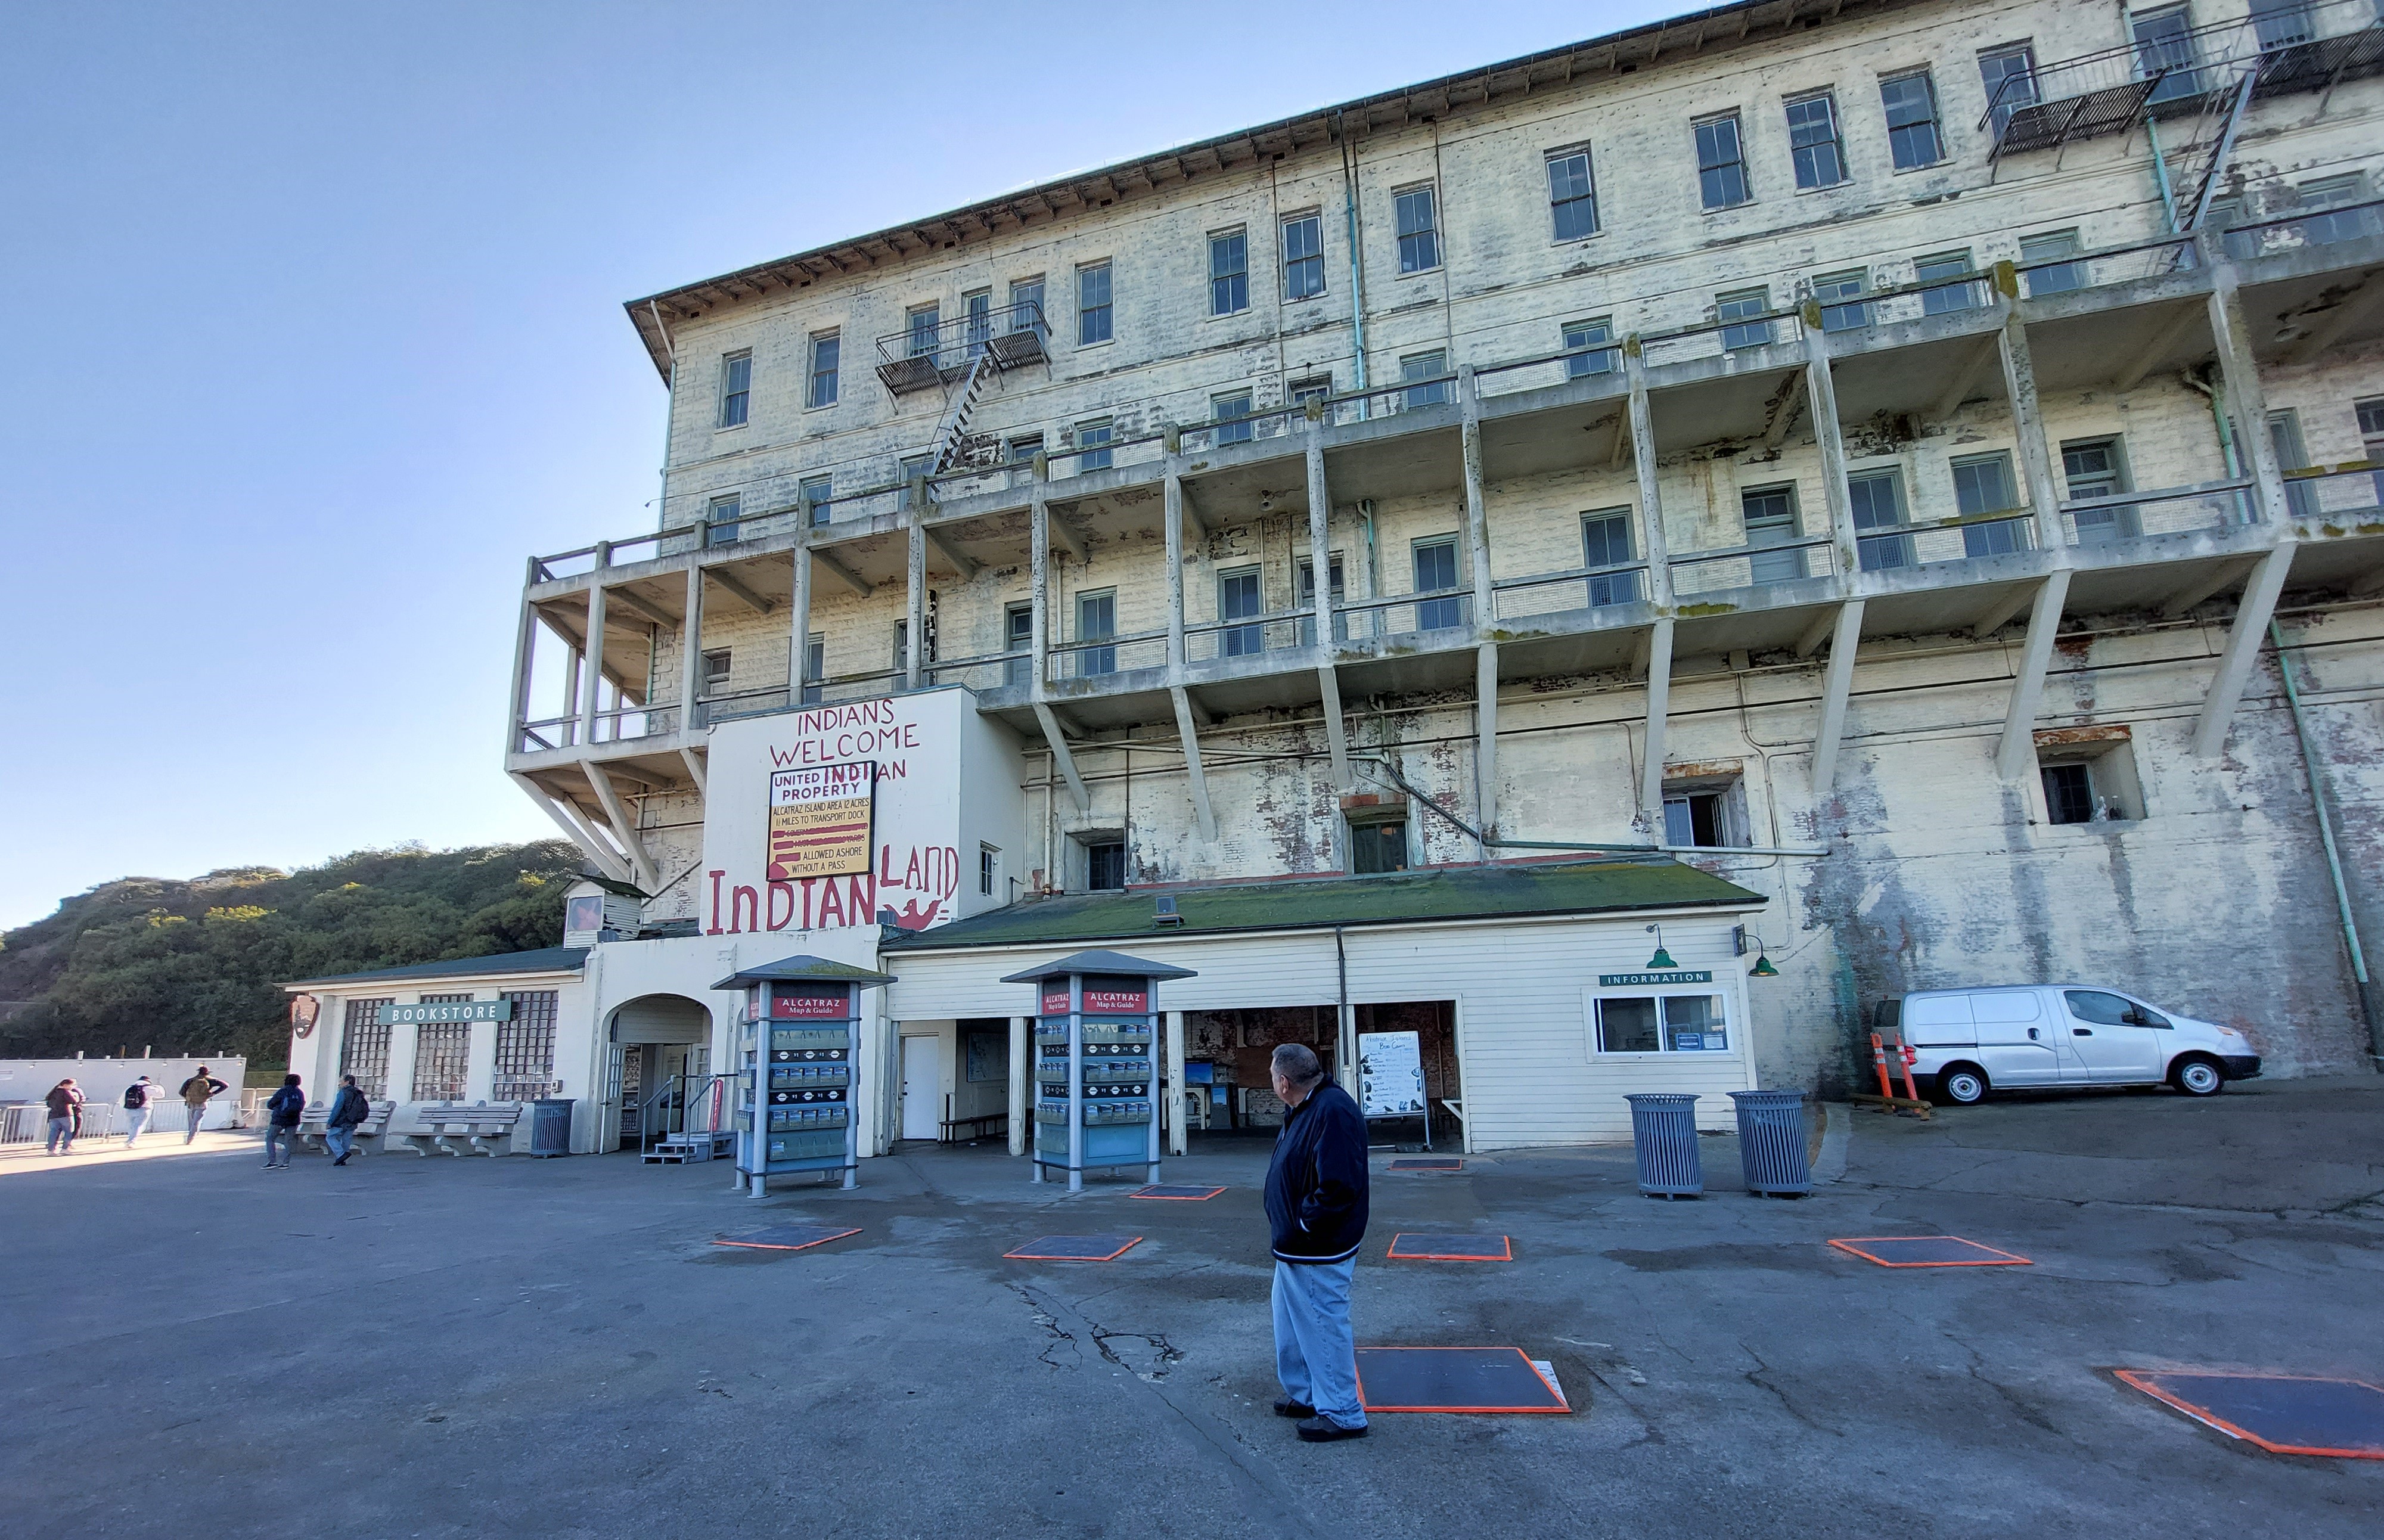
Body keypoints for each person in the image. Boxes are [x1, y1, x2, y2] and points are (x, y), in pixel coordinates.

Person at [1261, 1042, 1370, 1443]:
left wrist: (1306, 1223)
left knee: (1323, 1324)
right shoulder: (1309, 1106)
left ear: (1284, 1082)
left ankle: (1342, 1411)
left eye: (1273, 1076)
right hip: (1297, 1244)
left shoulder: (1331, 1111)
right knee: (1291, 1322)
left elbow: (1339, 1185)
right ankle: (1308, 1394)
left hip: (1317, 1247)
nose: (1273, 1083)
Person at [262, 1074, 305, 1169]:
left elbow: (271, 1104)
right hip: (294, 1120)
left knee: (270, 1138)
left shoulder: (283, 1091)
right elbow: (301, 1106)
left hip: (279, 1119)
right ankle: (286, 1163)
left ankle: (273, 1161)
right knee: (288, 1141)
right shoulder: (300, 1093)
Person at [325, 1075, 370, 1166]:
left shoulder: (343, 1093)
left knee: (330, 1137)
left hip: (341, 1121)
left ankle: (341, 1155)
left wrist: (330, 1122)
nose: (340, 1083)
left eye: (342, 1081)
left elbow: (337, 1108)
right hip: (353, 1120)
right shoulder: (358, 1093)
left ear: (347, 1082)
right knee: (346, 1140)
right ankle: (343, 1160)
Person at [179, 1065, 227, 1143]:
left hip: (191, 1103)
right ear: (207, 1073)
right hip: (202, 1103)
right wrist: (213, 1094)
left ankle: (190, 1137)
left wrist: (189, 1097)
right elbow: (225, 1085)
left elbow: (181, 1092)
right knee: (197, 1121)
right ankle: (191, 1138)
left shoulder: (190, 1080)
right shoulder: (210, 1080)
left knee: (191, 1122)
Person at [44, 1078, 85, 1156]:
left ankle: (50, 1150)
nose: (72, 1087)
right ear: (66, 1085)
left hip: (53, 1115)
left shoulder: (53, 1092)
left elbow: (49, 1103)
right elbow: (73, 1101)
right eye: (72, 1085)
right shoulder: (66, 1092)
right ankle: (65, 1148)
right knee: (69, 1131)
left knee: (53, 1133)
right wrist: (74, 1095)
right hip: (66, 1114)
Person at [122, 1075, 157, 1147]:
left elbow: (122, 1099)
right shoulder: (148, 1088)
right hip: (143, 1109)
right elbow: (161, 1095)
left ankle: (130, 1139)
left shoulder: (130, 1088)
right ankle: (131, 1141)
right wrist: (158, 1087)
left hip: (129, 1109)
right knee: (139, 1126)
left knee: (132, 1126)